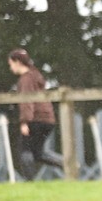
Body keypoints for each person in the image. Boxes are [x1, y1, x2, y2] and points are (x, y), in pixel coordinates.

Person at [6, 48, 63, 179]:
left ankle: (30, 183)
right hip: (48, 119)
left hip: (34, 119)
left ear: (18, 62)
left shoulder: (25, 80)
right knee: (38, 153)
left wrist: (25, 121)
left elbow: (27, 101)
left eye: (11, 64)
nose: (11, 68)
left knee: (25, 150)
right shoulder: (36, 76)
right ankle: (67, 164)